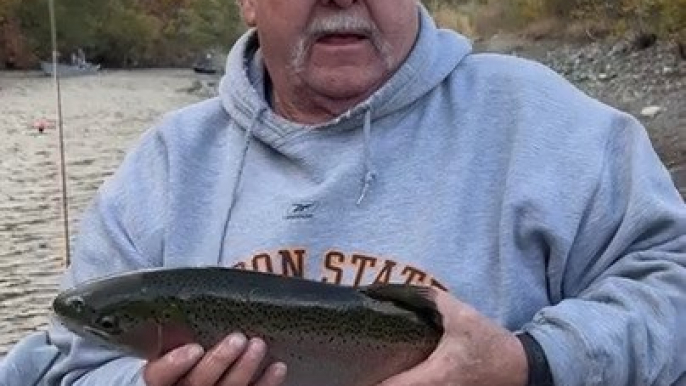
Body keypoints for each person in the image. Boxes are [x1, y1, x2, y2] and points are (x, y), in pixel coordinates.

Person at [7, 0, 684, 385]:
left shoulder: (548, 123)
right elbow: (69, 366)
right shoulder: (164, 166)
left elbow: (673, 289)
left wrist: (530, 363)